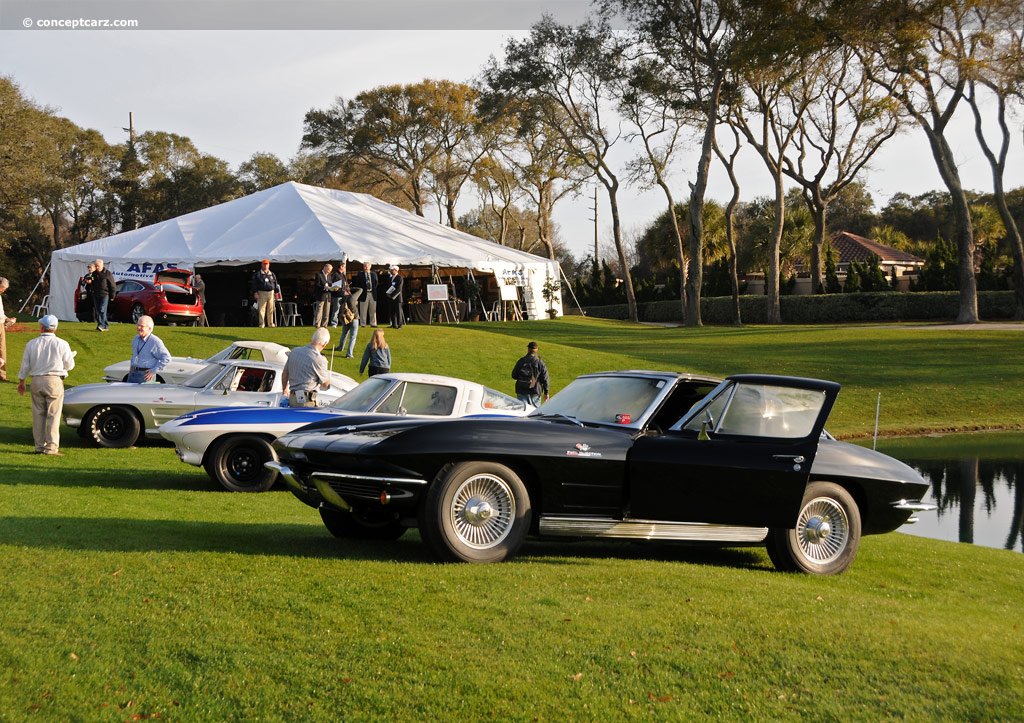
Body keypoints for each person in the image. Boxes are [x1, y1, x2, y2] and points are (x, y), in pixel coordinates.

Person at [17, 315, 76, 455]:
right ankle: (51, 447)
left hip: (36, 380)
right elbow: (70, 365)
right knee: (53, 415)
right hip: (54, 380)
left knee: (38, 414)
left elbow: (25, 365)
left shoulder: (32, 344)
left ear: (42, 327)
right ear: (55, 328)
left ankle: (39, 446)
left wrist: (21, 381)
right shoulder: (62, 344)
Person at [282, 327, 331, 407]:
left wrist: (284, 390)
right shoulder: (320, 360)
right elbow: (325, 383)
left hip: (293, 397)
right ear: (324, 344)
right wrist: (325, 364)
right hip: (307, 401)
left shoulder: (294, 351)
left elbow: (285, 373)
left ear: (313, 338)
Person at [127, 315, 172, 383]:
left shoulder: (155, 342)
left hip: (145, 376)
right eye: (138, 325)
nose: (138, 328)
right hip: (132, 373)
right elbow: (134, 356)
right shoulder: (136, 339)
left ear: (150, 328)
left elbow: (167, 358)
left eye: (142, 326)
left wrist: (154, 371)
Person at [511, 341, 550, 407]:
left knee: (522, 411)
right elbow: (545, 378)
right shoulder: (540, 362)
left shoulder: (521, 361)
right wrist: (546, 392)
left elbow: (514, 375)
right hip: (535, 391)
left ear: (528, 349)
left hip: (521, 390)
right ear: (536, 350)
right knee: (534, 413)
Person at [251, 259, 280, 328]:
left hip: (271, 292)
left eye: (267, 264)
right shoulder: (258, 274)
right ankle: (262, 324)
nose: (265, 265)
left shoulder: (272, 274)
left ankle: (270, 323)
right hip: (262, 292)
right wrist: (255, 292)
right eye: (264, 264)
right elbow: (254, 284)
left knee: (271, 309)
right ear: (262, 265)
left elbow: (275, 284)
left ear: (269, 265)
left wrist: (276, 293)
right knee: (262, 309)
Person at [91, 258, 117, 331]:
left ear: (102, 265)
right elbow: (93, 282)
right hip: (96, 294)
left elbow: (112, 285)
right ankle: (105, 325)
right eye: (96, 266)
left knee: (102, 309)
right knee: (99, 310)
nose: (97, 267)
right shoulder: (94, 274)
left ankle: (101, 325)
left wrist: (112, 296)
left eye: (98, 266)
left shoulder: (107, 274)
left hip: (105, 294)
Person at [353, 261, 379, 327]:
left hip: (372, 294)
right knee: (363, 310)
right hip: (364, 294)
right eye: (364, 266)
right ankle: (363, 324)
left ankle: (373, 323)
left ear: (370, 266)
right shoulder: (360, 274)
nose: (366, 267)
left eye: (367, 266)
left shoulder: (373, 274)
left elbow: (376, 283)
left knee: (373, 310)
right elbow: (357, 284)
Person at [335, 294, 360, 358]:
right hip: (354, 319)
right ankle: (349, 353)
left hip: (346, 319)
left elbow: (340, 301)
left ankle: (340, 347)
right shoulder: (353, 298)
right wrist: (351, 289)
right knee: (353, 337)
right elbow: (360, 290)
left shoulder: (343, 299)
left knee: (344, 334)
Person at [0, 276, 13, 382]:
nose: (4, 290)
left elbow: (1, 313)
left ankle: (2, 374)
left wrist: (7, 319)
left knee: (2, 350)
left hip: (0, 324)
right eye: (3, 288)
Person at [384, 264, 404, 329]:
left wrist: (392, 295)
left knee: (398, 312)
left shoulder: (399, 278)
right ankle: (394, 324)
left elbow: (399, 288)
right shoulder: (390, 278)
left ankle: (400, 325)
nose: (390, 271)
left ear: (396, 270)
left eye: (391, 270)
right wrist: (388, 294)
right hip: (391, 298)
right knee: (392, 312)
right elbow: (388, 287)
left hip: (397, 298)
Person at [313, 262, 333, 327]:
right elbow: (317, 285)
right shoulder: (319, 275)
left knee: (327, 311)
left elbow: (330, 283)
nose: (329, 271)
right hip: (321, 295)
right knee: (319, 310)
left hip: (328, 294)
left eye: (330, 270)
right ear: (325, 268)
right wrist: (324, 287)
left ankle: (325, 324)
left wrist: (333, 287)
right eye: (329, 269)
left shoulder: (329, 275)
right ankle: (317, 324)